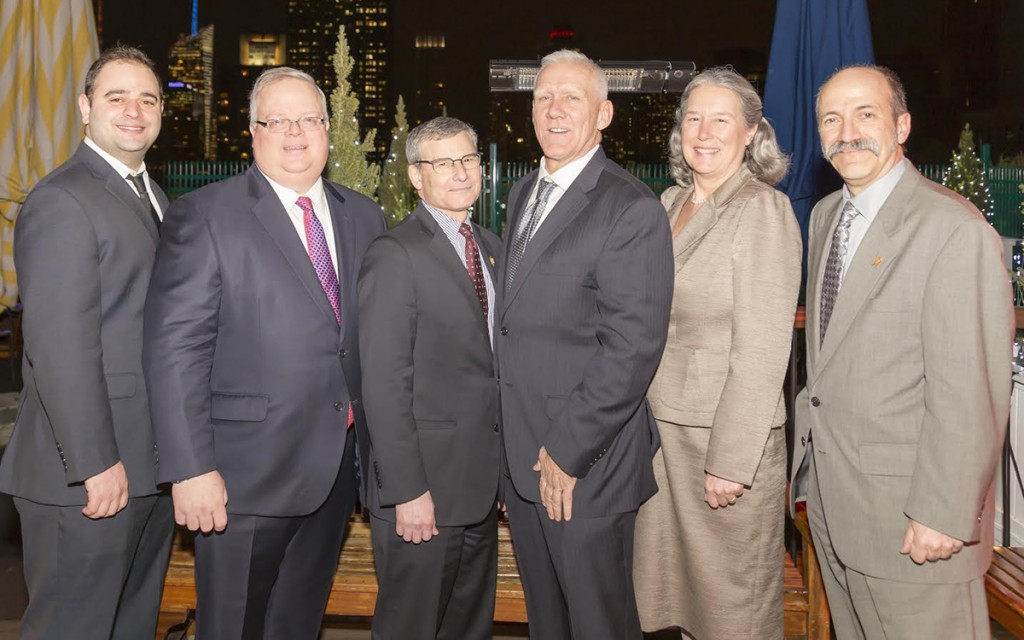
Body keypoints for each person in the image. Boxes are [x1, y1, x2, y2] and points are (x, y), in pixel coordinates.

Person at [143, 67, 385, 639]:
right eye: (278, 120)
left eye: (308, 119)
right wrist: (191, 468)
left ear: (328, 129)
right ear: (252, 132)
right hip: (240, 479)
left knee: (297, 625)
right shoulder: (205, 214)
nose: (294, 133)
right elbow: (175, 348)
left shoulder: (363, 216)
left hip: (335, 474)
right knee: (233, 628)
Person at [791, 64, 1013, 639]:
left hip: (916, 525)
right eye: (831, 119)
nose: (848, 132)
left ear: (903, 124)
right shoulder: (824, 217)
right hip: (840, 511)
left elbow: (971, 389)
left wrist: (942, 511)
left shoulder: (952, 229)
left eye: (866, 114)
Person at [496, 49, 674, 640]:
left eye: (572, 97)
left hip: (583, 467)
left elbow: (633, 347)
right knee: (548, 623)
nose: (554, 109)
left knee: (599, 625)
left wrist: (567, 452)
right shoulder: (523, 192)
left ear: (604, 114)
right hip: (523, 460)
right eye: (543, 96)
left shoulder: (630, 207)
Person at [0, 46, 174, 639]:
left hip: (146, 468)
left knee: (127, 628)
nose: (134, 110)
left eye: (147, 98)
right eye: (116, 97)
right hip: (86, 476)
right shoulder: (62, 200)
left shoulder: (149, 195)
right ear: (84, 108)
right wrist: (96, 461)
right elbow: (59, 347)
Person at [632, 67, 801, 639]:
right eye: (693, 118)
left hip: (722, 445)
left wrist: (731, 462)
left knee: (732, 610)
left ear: (752, 132)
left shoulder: (763, 210)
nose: (703, 132)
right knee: (672, 603)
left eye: (721, 119)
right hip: (661, 438)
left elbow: (763, 346)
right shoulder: (668, 202)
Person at [358, 116, 502, 640]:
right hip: (423, 494)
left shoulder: (491, 247)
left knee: (468, 629)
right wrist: (408, 491)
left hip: (479, 490)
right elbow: (383, 383)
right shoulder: (395, 254)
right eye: (444, 163)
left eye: (468, 159)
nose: (461, 172)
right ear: (417, 177)